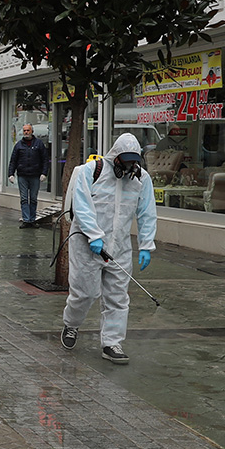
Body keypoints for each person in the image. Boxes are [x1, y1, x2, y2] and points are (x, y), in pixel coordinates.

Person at [60, 132, 156, 364]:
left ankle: (112, 342)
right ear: (116, 157)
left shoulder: (141, 179)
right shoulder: (90, 171)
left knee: (118, 297)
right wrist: (94, 236)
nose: (130, 166)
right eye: (126, 161)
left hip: (119, 247)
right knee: (85, 293)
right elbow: (81, 207)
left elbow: (147, 213)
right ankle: (71, 325)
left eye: (134, 161)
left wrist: (146, 244)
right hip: (86, 243)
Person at [7, 124, 50, 227]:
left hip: (35, 175)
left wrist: (44, 173)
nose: (26, 132)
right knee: (24, 199)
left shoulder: (39, 144)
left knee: (34, 198)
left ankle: (32, 219)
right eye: (24, 130)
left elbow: (45, 160)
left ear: (32, 131)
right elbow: (13, 160)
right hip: (22, 175)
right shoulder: (19, 145)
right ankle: (26, 220)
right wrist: (11, 174)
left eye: (28, 130)